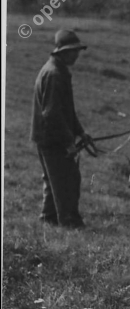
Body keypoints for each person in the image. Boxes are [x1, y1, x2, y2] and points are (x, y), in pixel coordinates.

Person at [30, 29, 92, 228]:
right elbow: (52, 114)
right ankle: (69, 222)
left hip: (48, 136)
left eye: (77, 51)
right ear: (62, 52)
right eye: (73, 51)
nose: (76, 55)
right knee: (68, 178)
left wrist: (80, 132)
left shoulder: (58, 70)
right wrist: (68, 142)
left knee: (53, 178)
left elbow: (67, 110)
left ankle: (49, 217)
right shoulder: (54, 74)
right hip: (51, 139)